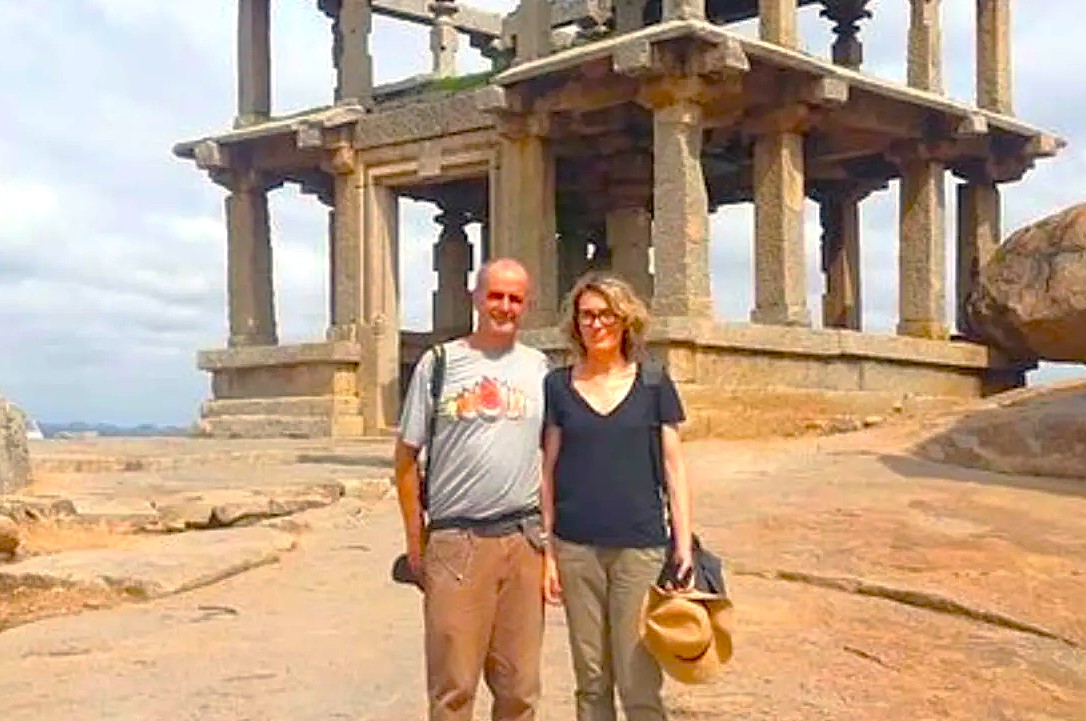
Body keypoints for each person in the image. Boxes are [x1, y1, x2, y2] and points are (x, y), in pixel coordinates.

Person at [393, 257, 551, 721]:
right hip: (455, 543)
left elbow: (552, 457)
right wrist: (414, 543)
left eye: (515, 298)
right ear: (476, 298)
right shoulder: (438, 364)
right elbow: (405, 459)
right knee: (453, 689)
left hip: (523, 541)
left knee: (520, 688)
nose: (504, 306)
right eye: (495, 296)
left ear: (527, 305)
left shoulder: (539, 368)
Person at [540, 272, 694, 721]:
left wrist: (682, 546)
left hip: (640, 548)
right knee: (590, 680)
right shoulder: (557, 386)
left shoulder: (653, 382)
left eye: (607, 314)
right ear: (575, 323)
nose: (597, 324)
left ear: (625, 320)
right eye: (587, 315)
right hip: (575, 548)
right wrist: (548, 551)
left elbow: (673, 468)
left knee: (638, 679)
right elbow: (546, 471)